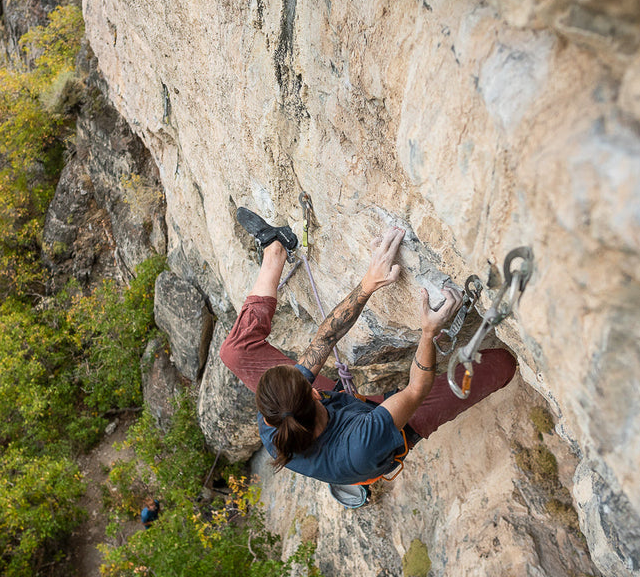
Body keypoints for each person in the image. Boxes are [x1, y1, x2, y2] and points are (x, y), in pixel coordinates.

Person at [220, 210, 517, 507]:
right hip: (383, 433)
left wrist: (368, 283)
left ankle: (275, 250)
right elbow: (416, 390)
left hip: (335, 415)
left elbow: (324, 340)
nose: (302, 371)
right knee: (502, 364)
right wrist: (429, 333)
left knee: (234, 352)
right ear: (313, 393)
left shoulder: (273, 417)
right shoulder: (361, 443)